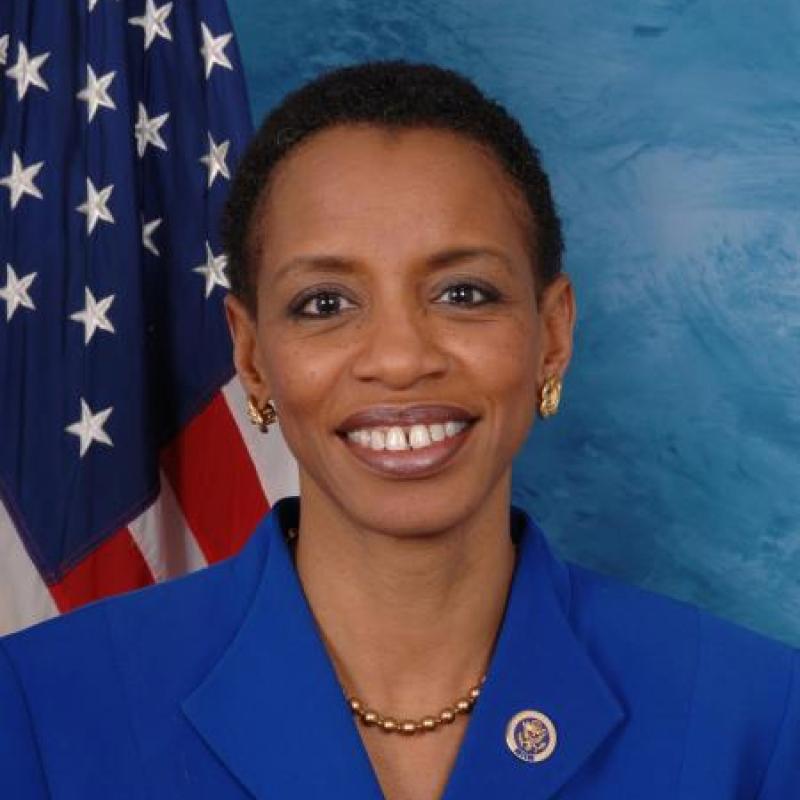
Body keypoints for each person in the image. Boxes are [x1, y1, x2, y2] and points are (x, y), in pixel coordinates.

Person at [1, 61, 798, 799]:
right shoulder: (39, 712)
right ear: (249, 356)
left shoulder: (755, 723)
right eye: (324, 304)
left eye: (463, 293)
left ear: (552, 334)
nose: (400, 358)